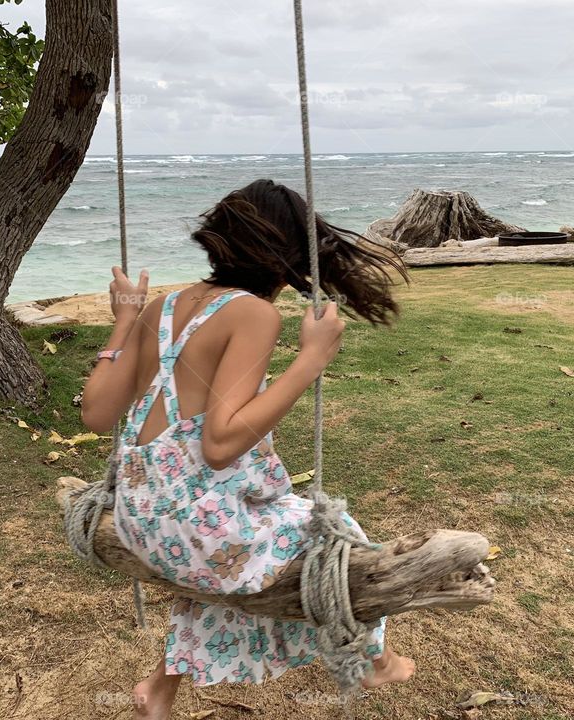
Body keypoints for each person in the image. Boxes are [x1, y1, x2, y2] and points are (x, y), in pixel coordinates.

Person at [81, 179, 414, 719]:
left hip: (139, 520)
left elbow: (95, 414)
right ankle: (375, 660)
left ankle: (159, 689)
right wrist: (310, 361)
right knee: (336, 535)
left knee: (226, 551)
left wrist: (124, 321)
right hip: (195, 527)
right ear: (289, 260)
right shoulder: (253, 313)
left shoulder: (161, 305)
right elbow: (220, 444)